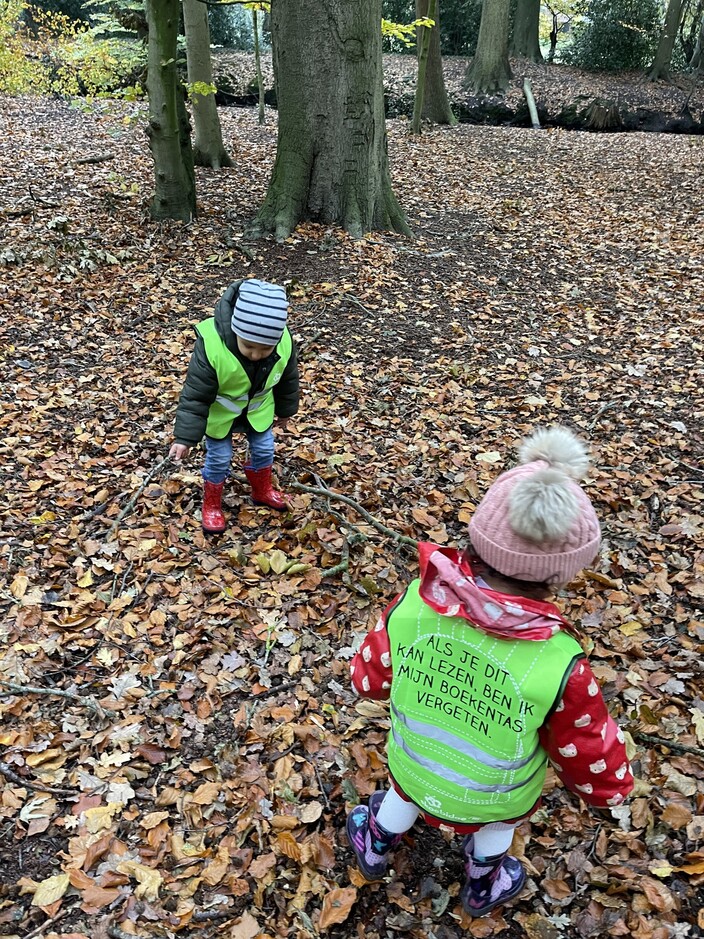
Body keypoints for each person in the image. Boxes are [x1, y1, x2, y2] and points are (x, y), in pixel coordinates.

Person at [346, 427, 633, 917]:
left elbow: (369, 679)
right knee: (499, 825)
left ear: (477, 541)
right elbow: (586, 745)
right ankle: (483, 883)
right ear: (560, 575)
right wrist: (611, 790)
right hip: (495, 795)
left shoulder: (416, 604)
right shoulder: (559, 663)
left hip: (415, 762)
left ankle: (375, 844)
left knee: (403, 793)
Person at [169, 279, 299, 532]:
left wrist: (285, 411)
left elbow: (288, 379)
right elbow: (195, 396)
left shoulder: (284, 343)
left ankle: (262, 490)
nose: (255, 355)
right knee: (219, 458)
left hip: (257, 410)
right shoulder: (212, 347)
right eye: (249, 346)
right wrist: (184, 437)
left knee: (264, 449)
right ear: (236, 331)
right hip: (220, 415)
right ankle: (212, 504)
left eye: (265, 349)